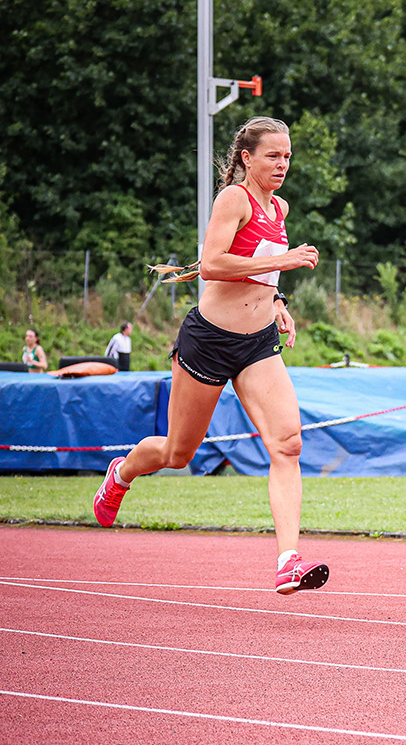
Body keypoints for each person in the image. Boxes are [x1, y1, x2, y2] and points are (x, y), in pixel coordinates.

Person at [90, 116, 329, 595]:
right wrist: (283, 260)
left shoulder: (279, 207)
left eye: (287, 156)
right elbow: (214, 265)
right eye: (272, 156)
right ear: (247, 157)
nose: (282, 164)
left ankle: (288, 560)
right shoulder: (233, 199)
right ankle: (123, 471)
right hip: (211, 340)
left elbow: (258, 268)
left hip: (258, 343)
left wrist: (278, 303)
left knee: (288, 445)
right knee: (178, 453)